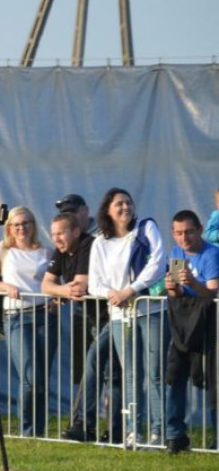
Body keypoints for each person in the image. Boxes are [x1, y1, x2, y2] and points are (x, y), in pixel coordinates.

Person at [87, 188, 168, 448]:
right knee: (131, 374)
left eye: (129, 202)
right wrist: (112, 294)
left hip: (151, 310)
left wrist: (130, 291)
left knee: (155, 373)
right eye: (119, 204)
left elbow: (157, 263)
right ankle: (135, 431)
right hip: (120, 315)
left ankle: (158, 431)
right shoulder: (99, 242)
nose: (125, 208)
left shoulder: (145, 229)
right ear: (108, 210)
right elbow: (94, 283)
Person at [42, 213, 119, 443]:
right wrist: (64, 291)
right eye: (53, 234)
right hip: (95, 320)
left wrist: (63, 290)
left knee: (96, 365)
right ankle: (113, 429)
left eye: (61, 233)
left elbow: (81, 286)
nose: (56, 238)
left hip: (113, 315)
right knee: (110, 373)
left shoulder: (88, 245)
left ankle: (84, 423)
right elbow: (46, 285)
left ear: (76, 231)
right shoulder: (61, 251)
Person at [0, 206, 56, 438]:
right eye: (16, 224)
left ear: (33, 225)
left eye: (26, 223)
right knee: (30, 376)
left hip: (44, 316)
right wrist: (6, 286)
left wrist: (57, 299)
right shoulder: (4, 250)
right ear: (9, 227)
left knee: (41, 377)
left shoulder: (46, 252)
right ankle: (27, 430)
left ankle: (40, 429)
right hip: (16, 316)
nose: (21, 228)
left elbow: (57, 283)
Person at [163, 210, 219, 453]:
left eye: (188, 232)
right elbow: (177, 293)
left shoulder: (211, 253)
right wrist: (171, 287)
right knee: (174, 376)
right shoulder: (176, 253)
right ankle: (175, 435)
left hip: (208, 324)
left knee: (213, 381)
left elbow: (212, 291)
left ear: (199, 230)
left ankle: (217, 437)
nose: (183, 238)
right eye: (178, 233)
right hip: (183, 323)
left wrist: (192, 284)